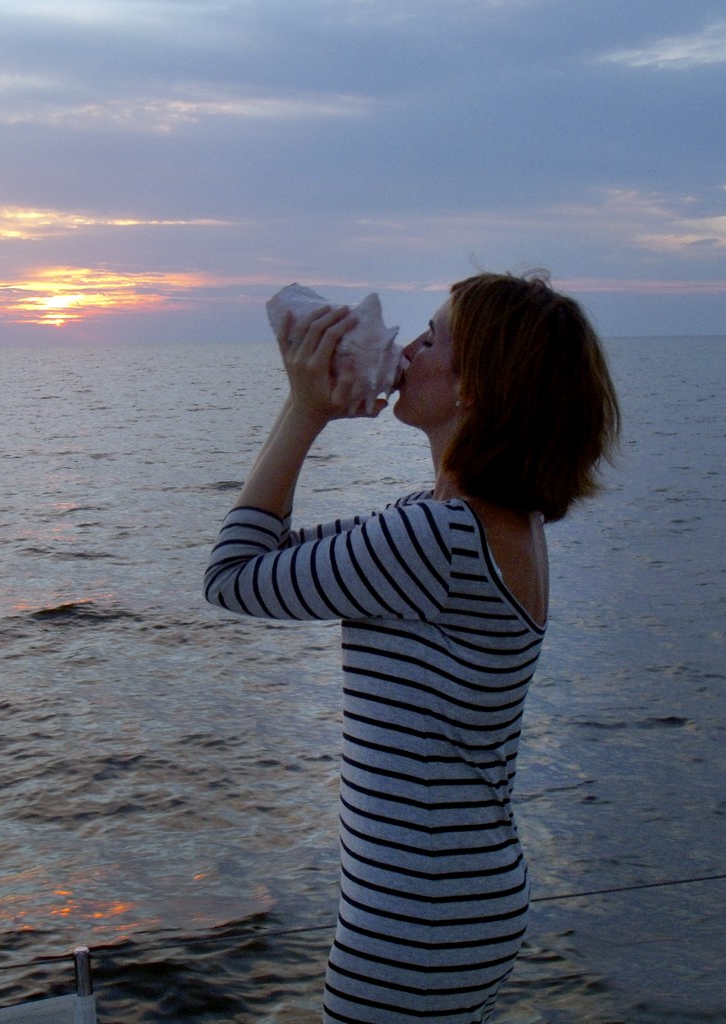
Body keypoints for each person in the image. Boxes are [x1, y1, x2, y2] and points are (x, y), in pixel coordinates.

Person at [204, 272, 621, 1024]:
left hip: (416, 921)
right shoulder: (490, 524)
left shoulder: (435, 540)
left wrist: (304, 412)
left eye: (433, 337)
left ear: (479, 388)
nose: (409, 346)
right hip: (460, 902)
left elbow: (233, 576)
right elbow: (278, 560)